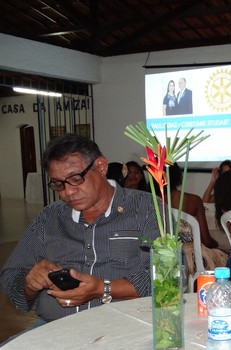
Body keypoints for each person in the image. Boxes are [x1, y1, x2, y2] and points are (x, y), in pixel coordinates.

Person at [0, 134, 161, 327]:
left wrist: (103, 288)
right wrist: (30, 284)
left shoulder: (146, 208)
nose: (67, 192)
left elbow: (167, 275)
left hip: (123, 327)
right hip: (53, 326)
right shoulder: (49, 217)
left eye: (76, 179)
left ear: (101, 167)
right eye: (58, 184)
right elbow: (11, 278)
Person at [166, 164, 228, 278]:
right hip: (190, 259)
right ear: (178, 176)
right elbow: (206, 241)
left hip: (161, 258)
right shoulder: (193, 200)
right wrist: (218, 245)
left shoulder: (149, 201)